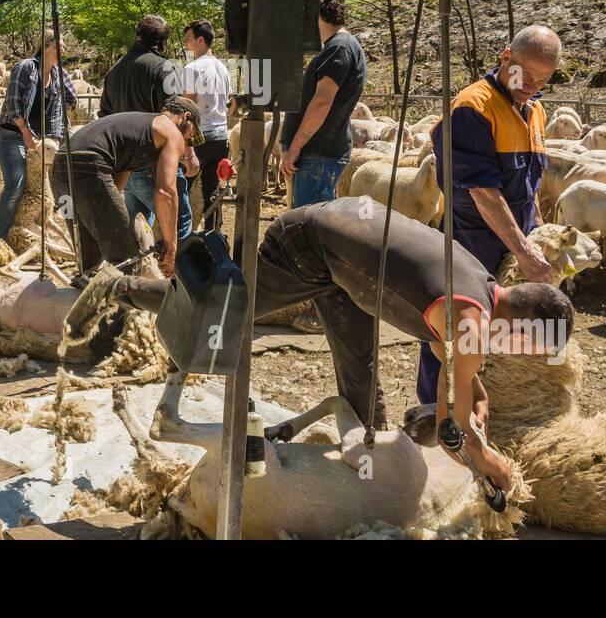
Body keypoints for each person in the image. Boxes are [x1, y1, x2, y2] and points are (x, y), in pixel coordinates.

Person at [107, 197, 575, 491]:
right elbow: (456, 413)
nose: (516, 353)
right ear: (524, 328)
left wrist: (478, 400)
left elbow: (446, 357)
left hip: (345, 262)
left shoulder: (481, 285)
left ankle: (364, 456)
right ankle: (121, 287)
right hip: (309, 245)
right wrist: (490, 461)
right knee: (227, 308)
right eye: (528, 348)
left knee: (361, 369)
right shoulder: (474, 319)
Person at [420, 24, 561, 405]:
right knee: (454, 327)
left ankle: (485, 408)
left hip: (513, 239)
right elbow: (482, 190)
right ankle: (436, 409)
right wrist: (526, 253)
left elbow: (529, 183)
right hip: (472, 241)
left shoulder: (534, 110)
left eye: (543, 79)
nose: (532, 85)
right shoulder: (473, 107)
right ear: (505, 58)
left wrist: (538, 233)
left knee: (499, 335)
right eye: (526, 74)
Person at [52, 97, 204, 279]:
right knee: (128, 259)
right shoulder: (172, 132)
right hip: (89, 168)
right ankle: (127, 307)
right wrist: (171, 246)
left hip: (59, 168)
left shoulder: (138, 130)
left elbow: (118, 179)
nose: (187, 142)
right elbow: (166, 192)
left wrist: (110, 218)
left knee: (90, 259)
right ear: (186, 118)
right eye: (191, 135)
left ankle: (86, 300)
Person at [99, 14, 197, 237]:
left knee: (137, 232)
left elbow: (104, 116)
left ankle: (135, 271)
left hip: (124, 167)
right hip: (155, 163)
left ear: (137, 36)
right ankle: (176, 271)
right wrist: (189, 152)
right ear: (162, 42)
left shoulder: (114, 71)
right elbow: (176, 118)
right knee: (179, 226)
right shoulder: (164, 68)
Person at [279, 0, 366, 204]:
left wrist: (295, 148)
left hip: (319, 155)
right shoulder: (336, 47)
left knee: (309, 228)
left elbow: (322, 102)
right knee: (309, 225)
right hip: (318, 155)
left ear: (318, 14)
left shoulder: (340, 48)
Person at [0, 28, 76, 239]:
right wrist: (25, 131)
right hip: (14, 134)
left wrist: (54, 138)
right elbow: (12, 102)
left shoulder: (59, 73)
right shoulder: (26, 67)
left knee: (42, 188)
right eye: (60, 44)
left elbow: (64, 104)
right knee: (17, 183)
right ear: (48, 46)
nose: (64, 48)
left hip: (39, 139)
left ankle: (31, 230)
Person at [181, 19, 232, 225]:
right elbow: (228, 104)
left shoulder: (192, 68)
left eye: (188, 39)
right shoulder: (224, 69)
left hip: (200, 137)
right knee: (212, 191)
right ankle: (214, 236)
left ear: (200, 40)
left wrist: (185, 144)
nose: (185, 44)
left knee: (181, 187)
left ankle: (181, 237)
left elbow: (188, 110)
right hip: (221, 137)